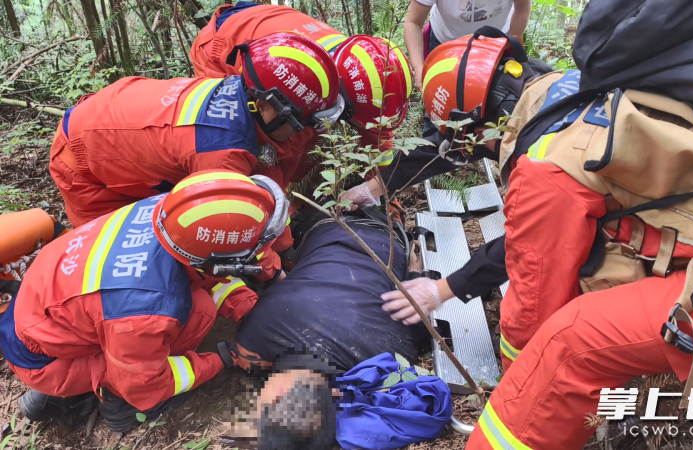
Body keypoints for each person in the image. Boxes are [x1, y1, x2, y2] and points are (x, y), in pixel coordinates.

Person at [399, 19, 693, 450]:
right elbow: (530, 241)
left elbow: (532, 305)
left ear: (476, 128)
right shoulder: (586, 94)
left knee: (571, 343)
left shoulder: (546, 163)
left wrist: (518, 380)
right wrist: (447, 288)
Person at [0, 170, 288, 432]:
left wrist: (247, 309)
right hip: (44, 358)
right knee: (198, 314)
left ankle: (82, 378)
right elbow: (144, 382)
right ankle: (117, 404)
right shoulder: (144, 312)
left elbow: (204, 272)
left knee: (192, 302)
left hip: (43, 306)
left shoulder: (173, 212)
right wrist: (222, 359)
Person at [50, 32, 342, 239]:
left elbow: (271, 171)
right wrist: (272, 270)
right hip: (84, 159)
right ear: (266, 105)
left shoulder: (243, 99)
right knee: (124, 247)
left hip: (116, 117)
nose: (301, 133)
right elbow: (225, 227)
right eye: (299, 123)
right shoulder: (222, 152)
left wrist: (284, 236)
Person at [218, 203, 433, 448]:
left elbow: (420, 313)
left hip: (381, 235)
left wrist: (415, 272)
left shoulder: (390, 357)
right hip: (324, 225)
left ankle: (389, 206)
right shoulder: (257, 332)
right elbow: (247, 357)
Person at [378, 28, 551, 324]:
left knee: (527, 311)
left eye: (472, 137)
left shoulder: (542, 158)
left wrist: (442, 289)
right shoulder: (538, 90)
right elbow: (451, 151)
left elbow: (529, 242)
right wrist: (377, 184)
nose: (473, 149)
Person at [190, 2, 413, 171]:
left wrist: (381, 191)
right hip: (223, 44)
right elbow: (288, 147)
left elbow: (377, 131)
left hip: (266, 19)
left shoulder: (357, 62)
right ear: (340, 103)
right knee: (242, 136)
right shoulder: (299, 84)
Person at [404, 0, 532, 92]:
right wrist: (419, 68)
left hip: (494, 45)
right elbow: (413, 22)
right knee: (440, 97)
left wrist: (511, 47)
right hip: (446, 45)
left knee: (490, 98)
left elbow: (522, 8)